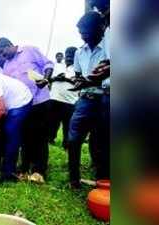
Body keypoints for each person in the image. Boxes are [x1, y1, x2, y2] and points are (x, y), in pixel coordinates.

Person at [0, 37, 53, 183]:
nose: (3, 56)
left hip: (40, 100)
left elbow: (48, 64)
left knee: (40, 137)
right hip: (23, 105)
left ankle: (39, 171)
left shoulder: (29, 50)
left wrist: (46, 78)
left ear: (9, 45)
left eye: (3, 52)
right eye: (1, 55)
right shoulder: (6, 66)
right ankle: (25, 167)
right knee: (26, 137)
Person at [67, 11, 109, 189]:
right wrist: (77, 82)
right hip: (85, 99)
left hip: (106, 98)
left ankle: (103, 181)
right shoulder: (79, 53)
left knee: (102, 141)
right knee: (73, 139)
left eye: (85, 31)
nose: (82, 36)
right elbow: (78, 76)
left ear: (100, 29)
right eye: (80, 33)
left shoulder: (110, 45)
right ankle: (74, 179)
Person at [47, 47, 79, 148]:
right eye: (67, 53)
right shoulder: (57, 66)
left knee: (67, 124)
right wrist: (56, 78)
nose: (69, 56)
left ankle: (66, 143)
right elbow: (48, 79)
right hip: (54, 98)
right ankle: (50, 139)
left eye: (72, 54)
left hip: (70, 101)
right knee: (52, 122)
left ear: (76, 56)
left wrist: (65, 79)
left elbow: (79, 82)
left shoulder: (79, 68)